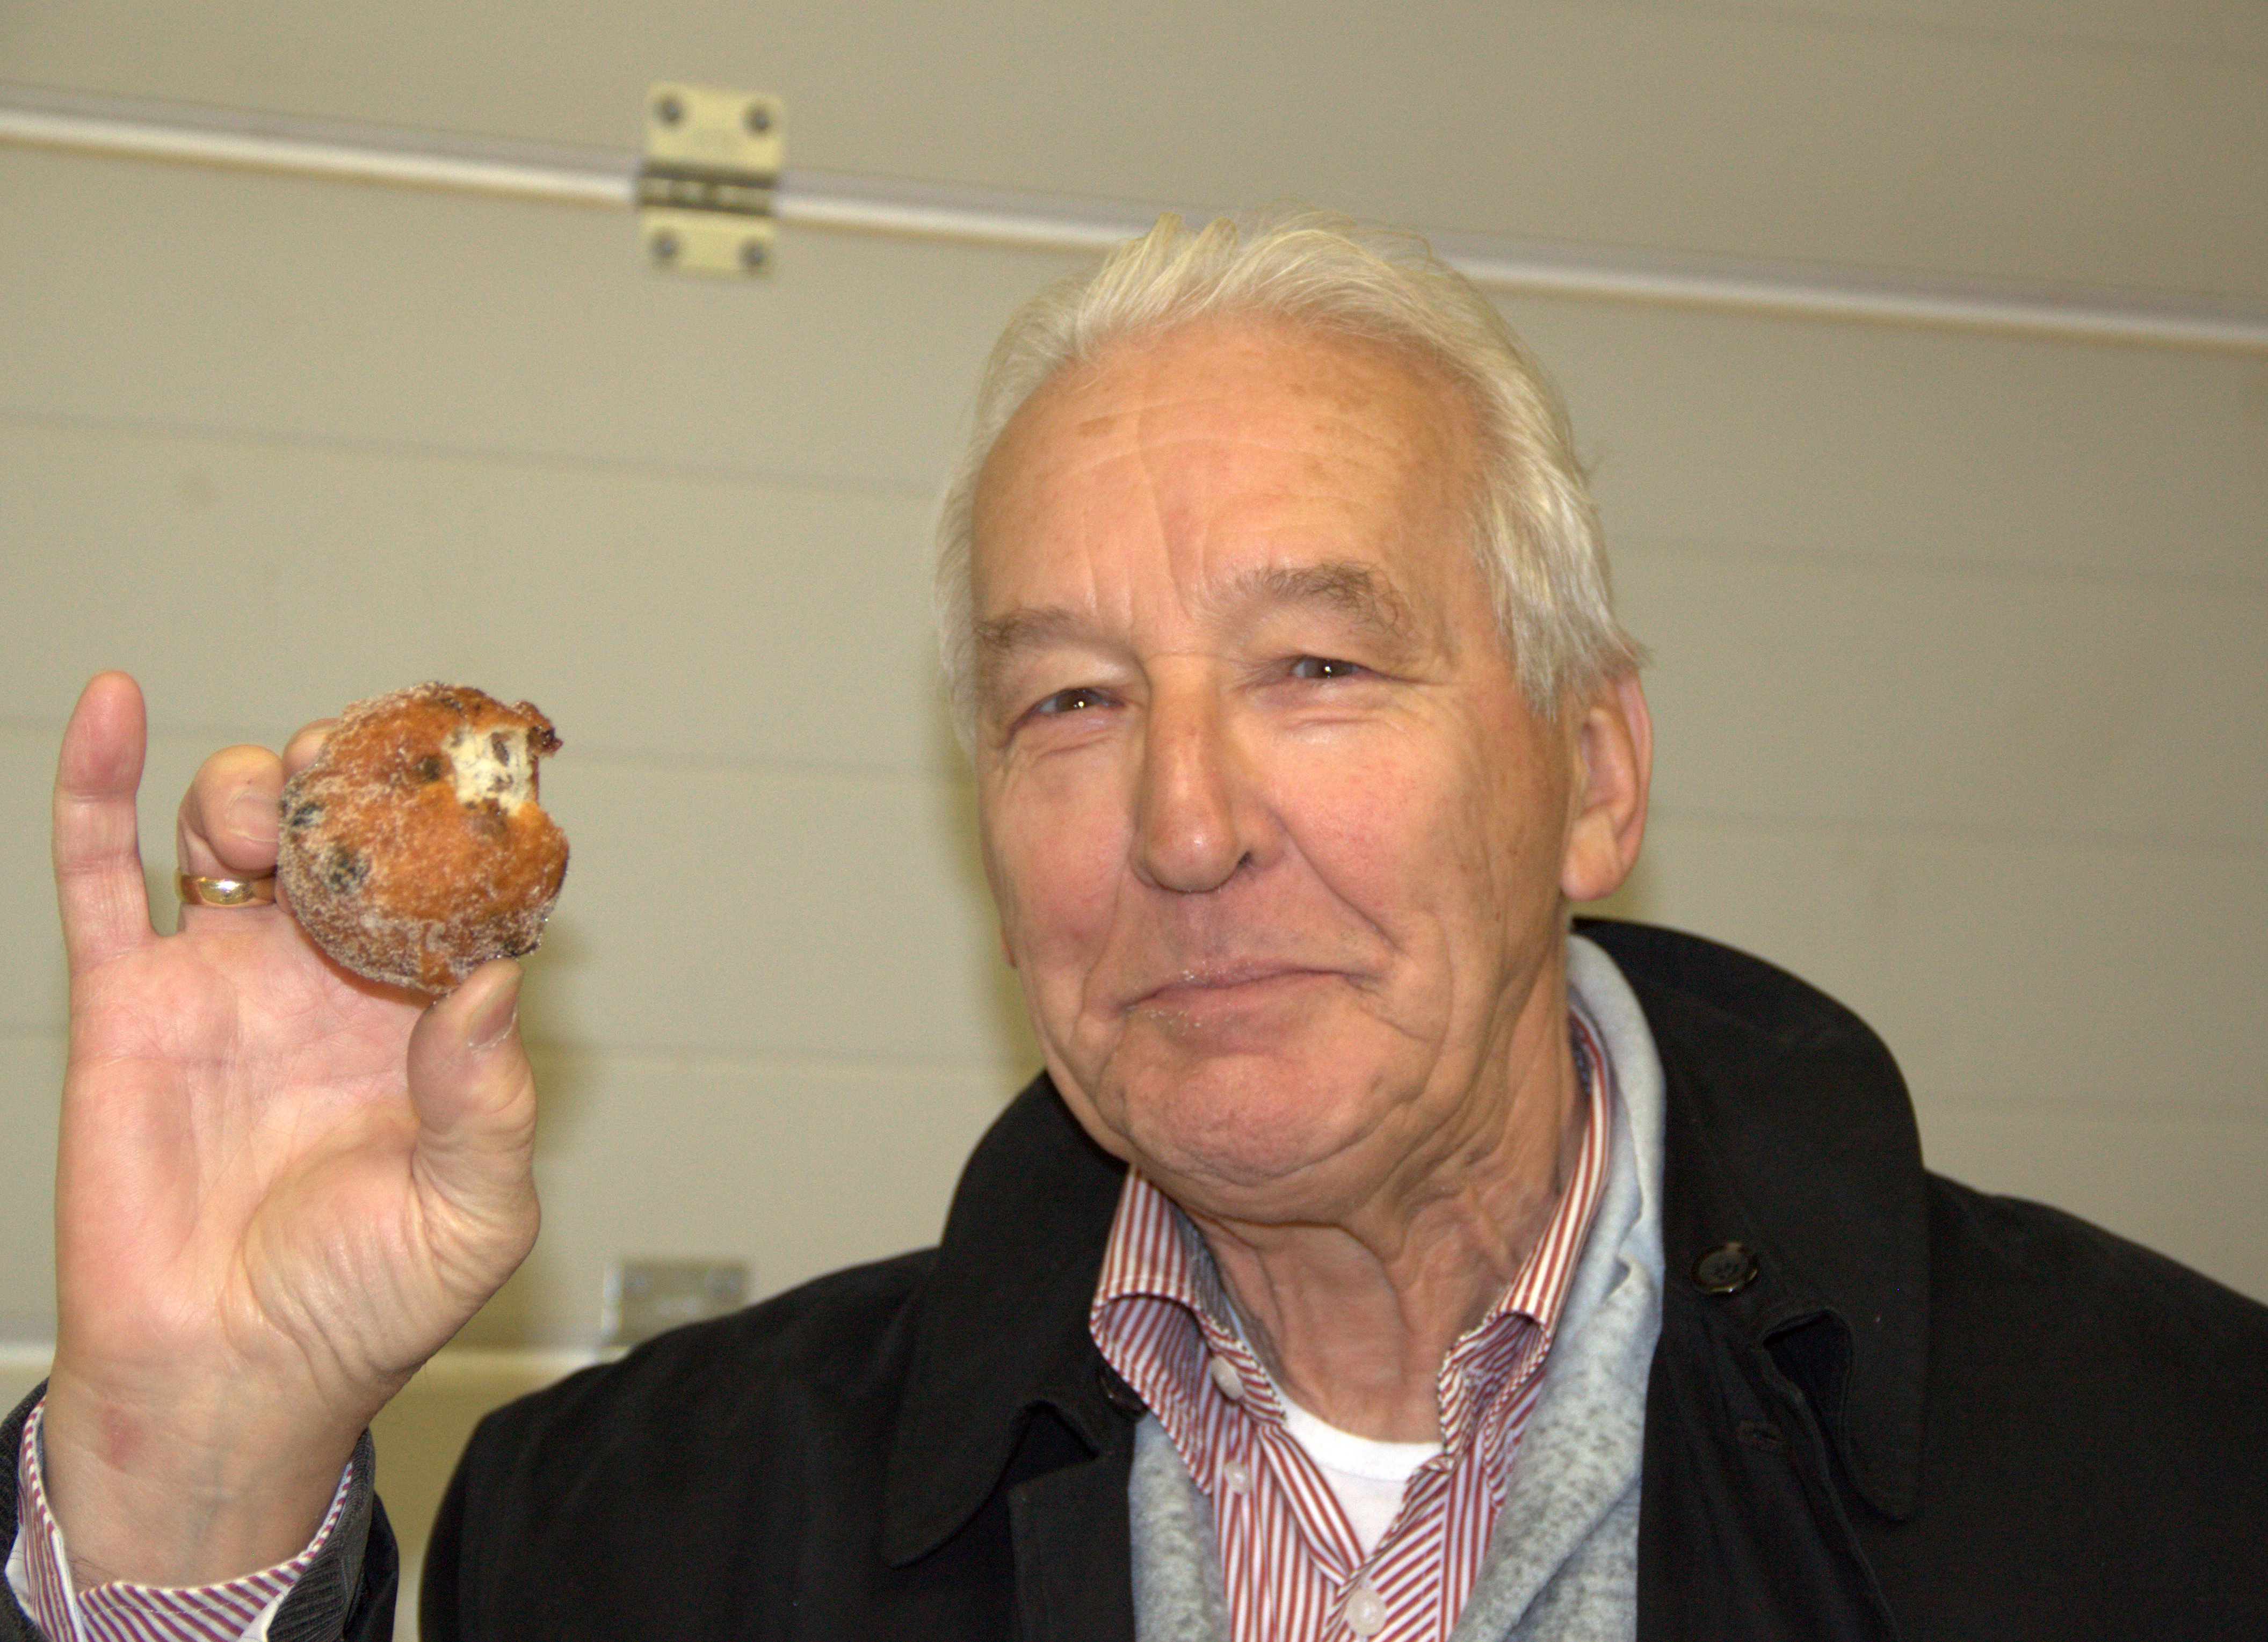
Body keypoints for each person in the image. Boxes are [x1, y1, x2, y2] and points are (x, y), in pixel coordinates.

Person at [6, 212, 2266, 1642]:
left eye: (1317, 668)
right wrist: (183, 1490)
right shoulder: (640, 1542)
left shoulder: (2178, 1478)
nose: (1186, 827)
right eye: (1072, 701)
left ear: (1592, 768)